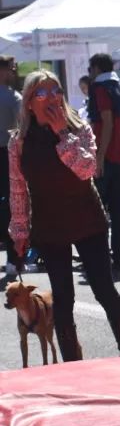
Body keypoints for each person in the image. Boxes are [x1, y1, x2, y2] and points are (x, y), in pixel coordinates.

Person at [7, 70, 120, 358]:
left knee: (105, 289)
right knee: (63, 298)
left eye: (56, 91)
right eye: (42, 93)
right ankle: (72, 365)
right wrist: (19, 233)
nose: (52, 98)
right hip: (49, 226)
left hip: (87, 219)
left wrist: (61, 133)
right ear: (29, 102)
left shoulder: (79, 129)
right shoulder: (18, 143)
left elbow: (86, 169)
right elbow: (18, 191)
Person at [86, 53, 120, 274]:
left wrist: (99, 157)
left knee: (96, 210)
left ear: (96, 68)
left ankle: (99, 257)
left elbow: (106, 122)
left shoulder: (99, 88)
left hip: (106, 158)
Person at [0, 55, 21, 278]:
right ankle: (13, 260)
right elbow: (21, 129)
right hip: (7, 155)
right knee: (11, 207)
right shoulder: (13, 97)